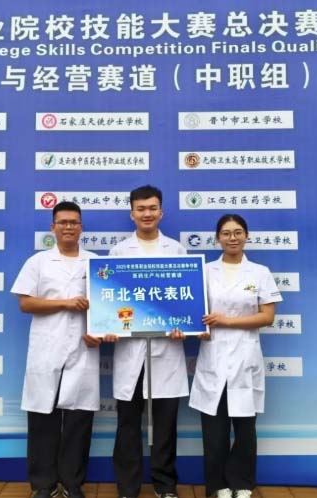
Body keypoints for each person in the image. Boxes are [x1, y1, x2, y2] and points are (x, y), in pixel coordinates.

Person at [11, 201, 102, 498]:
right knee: (42, 419)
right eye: (62, 222)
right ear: (53, 227)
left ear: (81, 227)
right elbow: (26, 303)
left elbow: (107, 307)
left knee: (78, 421)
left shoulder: (94, 263)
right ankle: (44, 485)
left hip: (83, 348)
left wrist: (98, 333)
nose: (68, 227)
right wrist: (65, 303)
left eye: (74, 222)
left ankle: (73, 484)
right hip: (46, 348)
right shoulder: (38, 262)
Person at [189, 214, 282, 498]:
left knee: (245, 427)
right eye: (226, 233)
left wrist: (227, 321)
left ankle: (242, 484)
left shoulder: (260, 272)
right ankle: (218, 485)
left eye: (238, 232)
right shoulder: (204, 271)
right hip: (213, 355)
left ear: (246, 236)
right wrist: (198, 330)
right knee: (214, 430)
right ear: (217, 238)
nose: (233, 238)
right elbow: (193, 312)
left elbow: (267, 316)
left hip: (245, 355)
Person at [105, 185, 188, 498]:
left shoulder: (176, 250)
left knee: (165, 424)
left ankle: (165, 485)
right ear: (132, 214)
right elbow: (109, 301)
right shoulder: (119, 252)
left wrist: (185, 326)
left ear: (161, 212)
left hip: (167, 349)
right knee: (128, 424)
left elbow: (186, 299)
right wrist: (107, 326)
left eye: (152, 208)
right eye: (141, 209)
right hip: (131, 350)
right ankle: (128, 487)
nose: (147, 214)